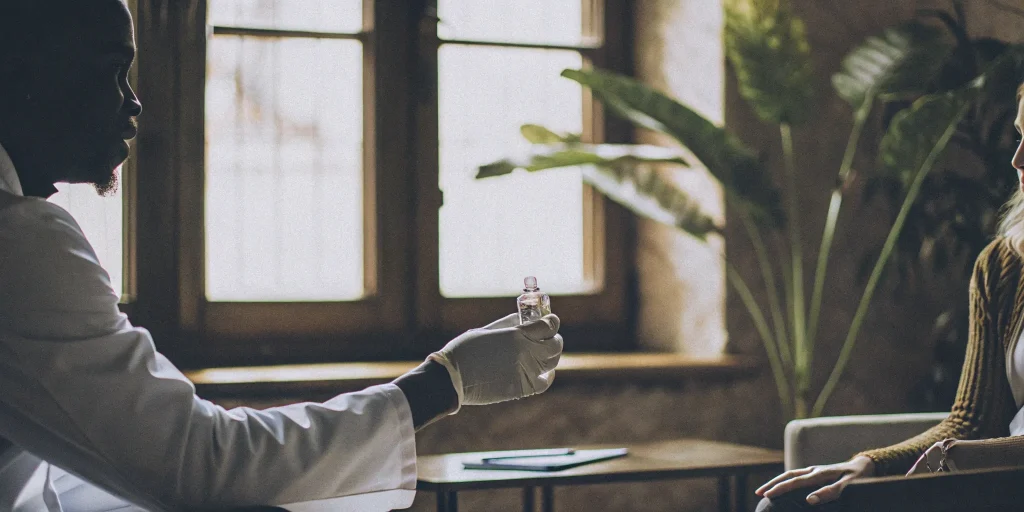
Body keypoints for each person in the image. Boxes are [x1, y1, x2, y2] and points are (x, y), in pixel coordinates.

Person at [0, 1, 563, 511]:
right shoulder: (19, 240)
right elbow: (202, 465)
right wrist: (444, 383)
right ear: (25, 75)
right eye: (109, 71)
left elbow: (84, 470)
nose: (134, 101)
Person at [755, 82, 1024, 511]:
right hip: (994, 480)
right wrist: (869, 465)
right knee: (788, 506)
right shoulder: (1005, 264)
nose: (1017, 159)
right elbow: (971, 421)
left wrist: (975, 457)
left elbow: (970, 447)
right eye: (1019, 135)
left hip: (1003, 477)